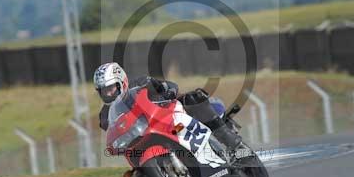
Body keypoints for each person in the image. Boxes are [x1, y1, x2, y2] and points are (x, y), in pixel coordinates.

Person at [93, 62, 244, 152]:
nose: (108, 93)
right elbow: (112, 131)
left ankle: (230, 140)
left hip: (171, 120)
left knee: (192, 98)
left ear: (121, 82)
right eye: (103, 91)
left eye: (110, 88)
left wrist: (167, 91)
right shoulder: (105, 114)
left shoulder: (140, 83)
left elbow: (168, 86)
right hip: (146, 138)